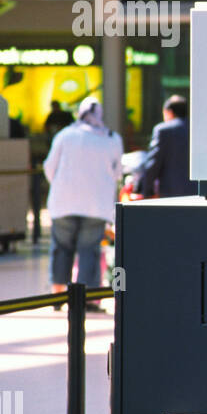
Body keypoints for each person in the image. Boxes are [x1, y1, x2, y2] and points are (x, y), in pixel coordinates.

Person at [43, 97, 123, 309]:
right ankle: (86, 300)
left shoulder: (65, 135)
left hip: (63, 203)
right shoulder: (112, 139)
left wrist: (61, 185)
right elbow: (117, 173)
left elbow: (49, 167)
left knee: (61, 248)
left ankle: (57, 298)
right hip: (96, 205)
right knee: (89, 251)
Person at [136, 95, 193, 198]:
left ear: (169, 112)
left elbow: (153, 163)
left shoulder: (163, 130)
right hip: (196, 194)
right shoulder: (196, 129)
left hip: (171, 194)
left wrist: (145, 191)